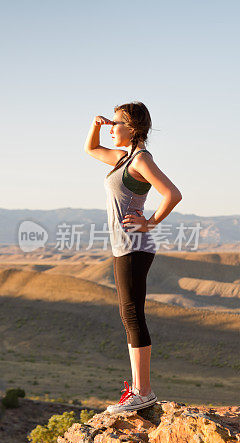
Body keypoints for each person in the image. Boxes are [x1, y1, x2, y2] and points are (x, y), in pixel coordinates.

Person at [84, 101, 182, 413]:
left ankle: (143, 391)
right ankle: (139, 389)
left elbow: (172, 194)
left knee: (132, 315)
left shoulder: (140, 159)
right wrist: (96, 125)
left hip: (134, 246)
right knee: (129, 316)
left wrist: (150, 222)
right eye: (111, 123)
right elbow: (91, 149)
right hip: (124, 247)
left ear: (134, 127)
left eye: (117, 123)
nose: (112, 128)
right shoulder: (123, 159)